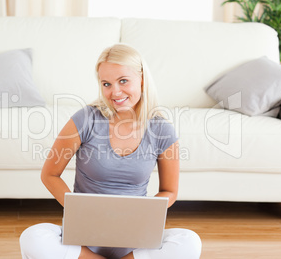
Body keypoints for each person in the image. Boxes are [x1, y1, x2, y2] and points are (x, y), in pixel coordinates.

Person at [19, 44, 202, 259]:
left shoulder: (162, 129)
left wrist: (144, 214)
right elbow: (49, 174)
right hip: (84, 238)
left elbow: (169, 191)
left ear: (141, 79)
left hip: (134, 238)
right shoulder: (86, 119)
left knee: (189, 242)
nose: (115, 92)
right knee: (33, 237)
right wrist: (79, 209)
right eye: (107, 84)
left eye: (123, 81)